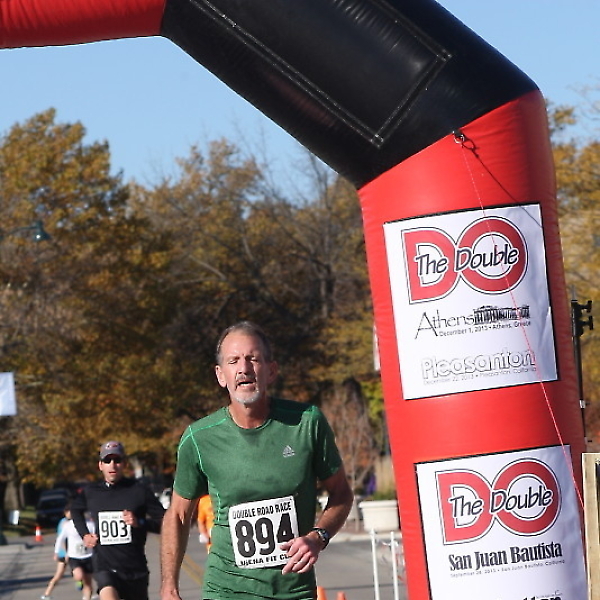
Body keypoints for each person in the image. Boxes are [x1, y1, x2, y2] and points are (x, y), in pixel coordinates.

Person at [160, 321, 354, 600]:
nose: (244, 368)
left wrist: (318, 537)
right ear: (221, 375)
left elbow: (341, 494)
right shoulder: (199, 438)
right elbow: (178, 514)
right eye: (233, 361)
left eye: (253, 358)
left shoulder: (306, 423)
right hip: (226, 591)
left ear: (271, 370)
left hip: (293, 591)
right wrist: (169, 587)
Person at [71, 440, 166, 600]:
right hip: (105, 566)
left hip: (135, 569)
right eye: (107, 460)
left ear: (125, 464)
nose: (112, 465)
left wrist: (139, 522)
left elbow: (165, 523)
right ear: (100, 465)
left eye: (117, 460)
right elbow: (75, 510)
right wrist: (85, 534)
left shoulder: (139, 491)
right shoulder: (91, 492)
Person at [54, 505, 96, 600]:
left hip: (88, 555)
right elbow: (60, 539)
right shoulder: (68, 525)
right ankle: (78, 580)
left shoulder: (91, 524)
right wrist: (56, 552)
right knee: (79, 575)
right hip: (74, 556)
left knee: (88, 583)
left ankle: (86, 598)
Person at [41, 509, 69, 600]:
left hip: (72, 552)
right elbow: (62, 539)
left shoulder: (70, 521)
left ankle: (83, 587)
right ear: (65, 513)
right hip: (64, 552)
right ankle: (46, 594)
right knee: (58, 574)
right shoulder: (64, 523)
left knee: (80, 571)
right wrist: (64, 552)